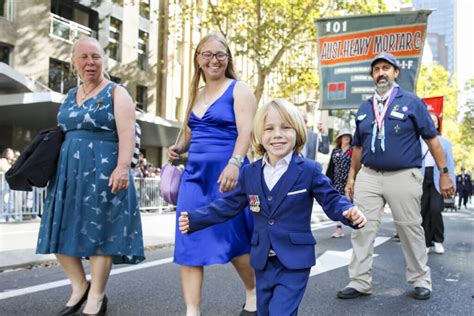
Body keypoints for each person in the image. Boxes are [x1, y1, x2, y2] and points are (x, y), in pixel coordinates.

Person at [178, 99, 367, 316]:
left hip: (294, 260)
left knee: (281, 312)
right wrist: (195, 219)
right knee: (265, 311)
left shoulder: (309, 170)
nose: (277, 134)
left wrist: (347, 211)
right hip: (262, 260)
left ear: (297, 132)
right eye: (269, 129)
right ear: (259, 134)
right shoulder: (250, 173)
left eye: (285, 127)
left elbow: (332, 199)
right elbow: (229, 205)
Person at [36, 37, 145, 315]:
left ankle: (96, 298)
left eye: (95, 56)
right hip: (67, 173)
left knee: (100, 235)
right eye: (83, 57)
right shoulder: (70, 95)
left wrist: (122, 167)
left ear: (103, 61)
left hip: (105, 171)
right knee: (57, 228)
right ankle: (79, 286)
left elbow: (127, 133)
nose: (90, 62)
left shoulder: (116, 93)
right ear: (74, 62)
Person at [338, 52, 455, 301]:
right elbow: (357, 147)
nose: (381, 73)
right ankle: (359, 282)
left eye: (386, 68)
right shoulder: (363, 107)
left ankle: (420, 280)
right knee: (361, 228)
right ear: (372, 75)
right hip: (369, 175)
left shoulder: (412, 102)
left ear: (396, 73)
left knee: (410, 228)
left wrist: (444, 173)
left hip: (403, 174)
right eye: (377, 69)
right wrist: (351, 178)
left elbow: (432, 140)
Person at [167, 33, 257, 316]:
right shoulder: (195, 93)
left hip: (227, 174)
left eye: (220, 54)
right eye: (207, 54)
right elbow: (191, 132)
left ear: (228, 59)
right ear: (198, 59)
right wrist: (179, 147)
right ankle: (192, 310)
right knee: (188, 236)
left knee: (234, 239)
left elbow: (246, 131)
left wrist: (235, 163)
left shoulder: (239, 89)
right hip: (194, 177)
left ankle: (254, 292)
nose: (214, 60)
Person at [420, 113, 456, 255]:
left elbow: (450, 164)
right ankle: (426, 242)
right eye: (429, 120)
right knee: (422, 211)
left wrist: (451, 182)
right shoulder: (418, 140)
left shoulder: (445, 142)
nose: (431, 122)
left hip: (438, 178)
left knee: (435, 210)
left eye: (434, 121)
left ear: (437, 124)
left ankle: (438, 240)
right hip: (421, 178)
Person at [326, 128, 353, 238]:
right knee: (337, 205)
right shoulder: (335, 151)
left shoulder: (353, 150)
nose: (346, 137)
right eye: (344, 136)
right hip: (336, 182)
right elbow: (331, 166)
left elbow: (355, 166)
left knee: (353, 205)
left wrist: (352, 182)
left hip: (349, 182)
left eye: (348, 136)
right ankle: (338, 229)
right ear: (340, 138)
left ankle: (361, 226)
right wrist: (327, 180)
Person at [0, 148, 14, 222]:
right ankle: (2, 216)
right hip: (3, 183)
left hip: (7, 184)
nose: (12, 155)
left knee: (8, 200)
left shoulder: (9, 162)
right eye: (11, 153)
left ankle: (8, 216)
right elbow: (7, 171)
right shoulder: (3, 161)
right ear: (7, 154)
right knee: (3, 200)